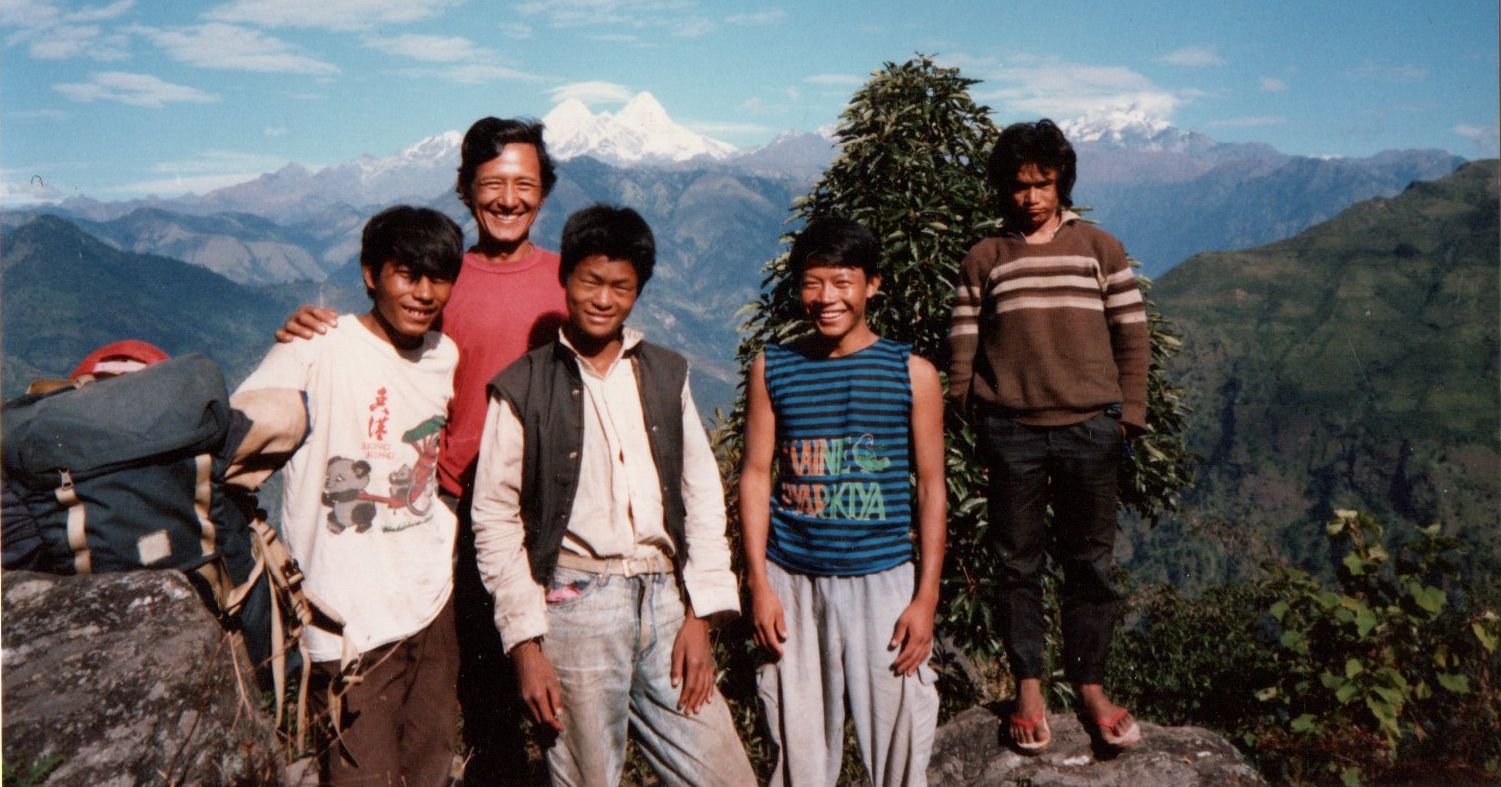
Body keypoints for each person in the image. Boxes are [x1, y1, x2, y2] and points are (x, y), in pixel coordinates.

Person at [276, 117, 566, 779]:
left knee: (558, 689)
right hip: (453, 512)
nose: (508, 198)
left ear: (543, 193)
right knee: (478, 694)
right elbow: (381, 351)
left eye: (524, 183)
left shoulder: (565, 282)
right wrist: (303, 333)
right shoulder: (439, 275)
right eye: (491, 183)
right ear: (465, 189)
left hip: (551, 513)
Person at [469, 204, 756, 786]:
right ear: (565, 279)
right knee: (587, 776)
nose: (603, 299)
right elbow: (494, 520)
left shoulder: (664, 373)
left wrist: (700, 612)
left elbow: (701, 495)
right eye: (590, 282)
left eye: (621, 287)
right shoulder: (523, 387)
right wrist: (525, 642)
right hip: (576, 603)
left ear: (638, 292)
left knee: (724, 774)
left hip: (665, 601)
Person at [237, 205, 464, 784]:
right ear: (371, 274)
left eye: (437, 277)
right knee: (360, 774)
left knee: (432, 766)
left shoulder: (444, 355)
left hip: (430, 601)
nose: (423, 292)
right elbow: (237, 438)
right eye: (406, 274)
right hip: (347, 619)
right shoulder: (317, 346)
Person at [947, 119, 1149, 751]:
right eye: (1019, 185)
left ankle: (1090, 687)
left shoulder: (1100, 248)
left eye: (1043, 183)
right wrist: (967, 408)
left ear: (1062, 182)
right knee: (1017, 565)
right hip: (1013, 432)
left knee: (1091, 565)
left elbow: (1132, 335)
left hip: (1091, 428)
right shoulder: (985, 257)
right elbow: (963, 343)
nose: (1031, 197)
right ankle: (1029, 685)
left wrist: (1130, 414)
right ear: (1002, 188)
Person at [740, 216, 946, 785]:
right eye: (813, 283)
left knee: (901, 743)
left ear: (871, 284)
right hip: (793, 584)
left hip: (883, 584)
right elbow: (756, 475)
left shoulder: (913, 374)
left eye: (842, 281)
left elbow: (931, 488)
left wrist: (925, 598)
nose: (826, 298)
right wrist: (759, 583)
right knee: (798, 752)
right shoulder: (773, 367)